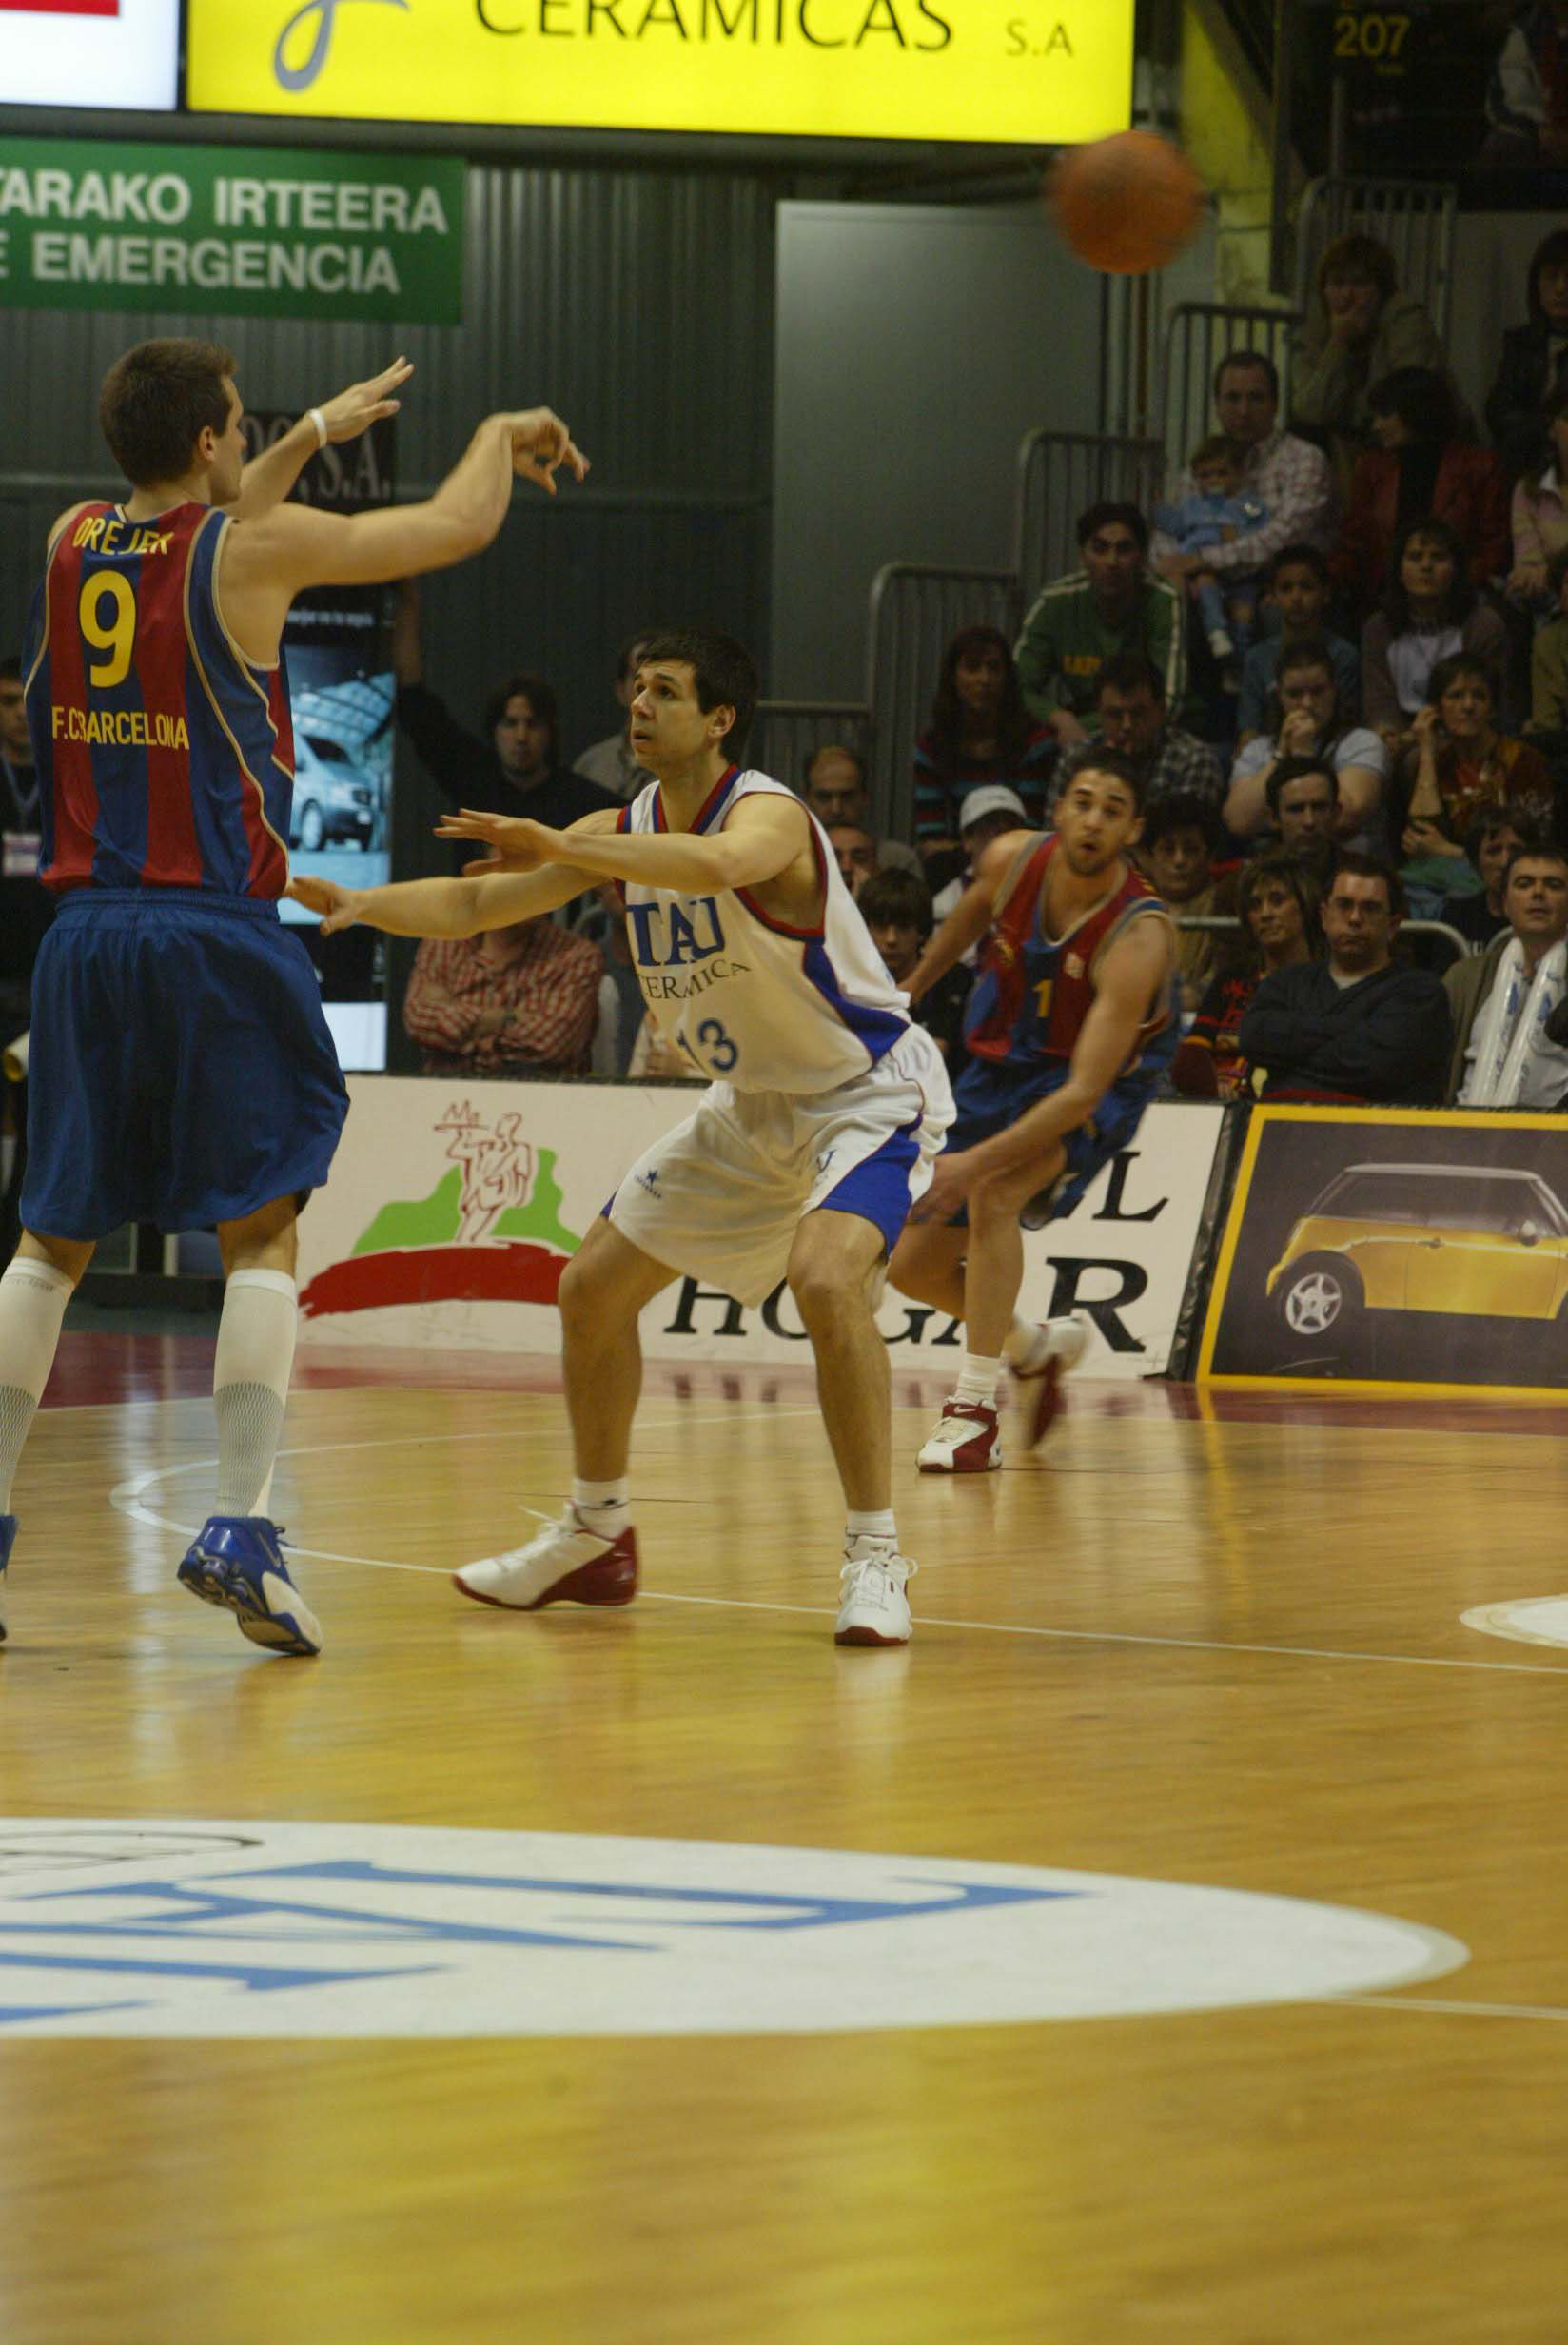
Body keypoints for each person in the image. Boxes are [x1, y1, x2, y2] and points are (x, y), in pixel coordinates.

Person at [0, 335, 589, 1658]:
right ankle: (244, 1530)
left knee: (50, 1246)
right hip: (211, 923)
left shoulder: (68, 538)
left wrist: (311, 430)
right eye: (238, 424)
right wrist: (500, 427)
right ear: (214, 440)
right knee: (261, 1230)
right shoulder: (250, 555)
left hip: (83, 932)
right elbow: (447, 525)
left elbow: (206, 508)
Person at [290, 628, 955, 1649]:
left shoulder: (766, 812)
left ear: (718, 719)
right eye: (634, 687)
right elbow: (476, 901)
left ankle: (874, 1555)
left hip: (863, 1091)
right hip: (753, 1101)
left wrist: (567, 844)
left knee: (826, 1279)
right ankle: (597, 1534)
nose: (638, 704)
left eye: (666, 691)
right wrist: (363, 904)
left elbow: (715, 863)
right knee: (590, 1288)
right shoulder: (615, 825)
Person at [885, 751, 1178, 1474]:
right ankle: (1033, 1348)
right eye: (1083, 801)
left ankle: (974, 1409)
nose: (1094, 819)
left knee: (993, 1192)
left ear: (1131, 828)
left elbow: (1082, 1093)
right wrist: (909, 991)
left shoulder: (1139, 934)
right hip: (1002, 1059)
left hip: (1091, 1081)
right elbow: (967, 919)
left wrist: (969, 1163)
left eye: (1113, 809)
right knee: (909, 1269)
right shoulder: (1011, 859)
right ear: (1058, 809)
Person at [391, 580, 617, 845]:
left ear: (550, 731)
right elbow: (412, 696)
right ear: (494, 730)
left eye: (532, 724)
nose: (521, 736)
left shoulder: (578, 799)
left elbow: (637, 828)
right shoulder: (474, 778)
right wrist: (408, 605)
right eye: (511, 724)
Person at [1237, 855, 1450, 1106]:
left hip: (1377, 1136)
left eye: (1370, 908)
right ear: (1324, 916)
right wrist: (1352, 1029)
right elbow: (1253, 1038)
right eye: (1344, 905)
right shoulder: (1285, 982)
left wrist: (1289, 1058)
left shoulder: (1421, 992)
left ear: (1393, 926)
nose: (1354, 919)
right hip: (1278, 1131)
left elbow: (1376, 1067)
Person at [1153, 351, 1337, 608]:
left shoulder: (1305, 458)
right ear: (1217, 405)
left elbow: (1284, 538)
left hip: (1279, 588)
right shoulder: (1204, 464)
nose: (1243, 411)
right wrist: (1177, 569)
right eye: (1232, 398)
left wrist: (1203, 560)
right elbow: (1167, 533)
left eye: (1256, 398)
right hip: (1205, 583)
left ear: (1275, 404)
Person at [1333, 369, 1511, 619]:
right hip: (1386, 596)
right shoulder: (1372, 468)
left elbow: (1493, 547)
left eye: (1385, 415)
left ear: (1415, 413)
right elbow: (1355, 542)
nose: (1376, 425)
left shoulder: (1478, 467)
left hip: (1458, 594)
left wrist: (1448, 583)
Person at [1013, 502, 1186, 745]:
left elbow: (1168, 701)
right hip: (1074, 729)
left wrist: (1086, 729)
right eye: (1100, 548)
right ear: (1082, 555)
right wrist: (1060, 719)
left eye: (1124, 549)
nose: (1112, 561)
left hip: (1142, 731)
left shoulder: (1162, 601)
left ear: (1142, 558)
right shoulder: (1056, 601)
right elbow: (1016, 687)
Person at [1291, 234, 1461, 480]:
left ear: (1382, 290)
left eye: (1359, 284)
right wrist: (1338, 345)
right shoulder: (1316, 332)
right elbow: (1311, 413)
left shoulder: (1404, 319)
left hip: (1411, 443)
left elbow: (1411, 406)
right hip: (1348, 445)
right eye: (1337, 284)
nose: (1348, 296)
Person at [1395, 652, 1552, 916]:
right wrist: (1425, 751)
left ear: (1492, 708)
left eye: (1479, 696)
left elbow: (1535, 847)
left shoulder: (1524, 761)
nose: (1468, 706)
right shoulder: (1434, 764)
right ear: (1436, 709)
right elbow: (1422, 838)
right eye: (1456, 696)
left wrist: (1447, 850)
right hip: (1446, 880)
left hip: (1512, 877)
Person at [1173, 849, 1319, 1100]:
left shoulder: (1324, 983)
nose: (1265, 914)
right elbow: (1194, 1052)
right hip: (1217, 1107)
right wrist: (1212, 1085)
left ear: (1304, 906)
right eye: (1255, 905)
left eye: (1277, 900)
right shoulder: (1231, 980)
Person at [1362, 522, 1514, 752]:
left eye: (1438, 557)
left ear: (1456, 569)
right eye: (1415, 557)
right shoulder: (1379, 628)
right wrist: (1390, 734)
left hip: (1466, 732)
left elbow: (1490, 702)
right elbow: (1380, 703)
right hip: (1401, 739)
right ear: (1399, 570)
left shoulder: (1483, 625)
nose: (1426, 566)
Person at [1225, 639, 1388, 844]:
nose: (1307, 704)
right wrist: (1282, 756)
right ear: (1278, 697)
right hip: (1276, 867)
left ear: (1334, 691)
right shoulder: (1257, 751)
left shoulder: (1363, 743)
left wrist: (1304, 757)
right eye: (1295, 694)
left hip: (1349, 865)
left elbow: (1347, 816)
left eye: (1318, 691)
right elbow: (1238, 822)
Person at [911, 625, 1056, 857]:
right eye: (972, 668)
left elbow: (1032, 834)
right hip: (951, 869)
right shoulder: (931, 749)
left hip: (1020, 864)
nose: (984, 679)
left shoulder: (1035, 744)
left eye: (994, 668)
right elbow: (931, 841)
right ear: (953, 677)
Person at [402, 913, 604, 1076]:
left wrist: (454, 1022)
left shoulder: (575, 955)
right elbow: (418, 1019)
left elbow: (551, 1043)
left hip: (540, 1107)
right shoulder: (446, 941)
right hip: (444, 1106)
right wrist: (508, 1017)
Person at [1445, 844, 1568, 1106]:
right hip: (1464, 1133)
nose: (1538, 893)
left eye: (1553, 885)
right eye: (1524, 884)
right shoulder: (1464, 978)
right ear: (1504, 903)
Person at [0, 655, 52, 1256]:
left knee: (39, 1126)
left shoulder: (66, 785)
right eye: (7, 703)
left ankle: (15, 1253)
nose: (17, 716)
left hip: (43, 982)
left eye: (25, 703)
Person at [1053, 652, 1225, 819]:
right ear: (1099, 713)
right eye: (1115, 715)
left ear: (1161, 710)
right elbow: (1051, 839)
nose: (1127, 726)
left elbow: (1181, 843)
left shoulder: (1192, 760)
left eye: (1138, 713)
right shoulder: (1076, 757)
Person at [1153, 435, 1268, 660]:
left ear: (1238, 473)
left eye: (1222, 473)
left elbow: (1260, 532)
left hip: (1237, 573)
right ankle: (1216, 631)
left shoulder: (1247, 504)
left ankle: (1237, 662)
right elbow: (1176, 524)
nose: (1214, 480)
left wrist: (1238, 533)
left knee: (1244, 615)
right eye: (1206, 475)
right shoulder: (1193, 504)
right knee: (1205, 583)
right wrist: (1157, 508)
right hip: (1199, 569)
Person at [1235, 543, 1359, 746]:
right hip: (1272, 751)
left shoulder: (1344, 655)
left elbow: (1346, 725)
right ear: (1272, 596)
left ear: (1325, 593)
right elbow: (1249, 729)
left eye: (1306, 587)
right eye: (1286, 588)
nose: (1296, 597)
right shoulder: (1257, 658)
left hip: (1331, 750)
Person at [856, 864, 972, 1071]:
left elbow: (934, 1054)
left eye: (903, 927)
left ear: (921, 931)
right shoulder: (850, 981)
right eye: (881, 927)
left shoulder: (952, 978)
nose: (891, 940)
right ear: (865, 929)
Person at [1139, 791, 1234, 1010]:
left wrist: (1200, 995)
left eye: (1190, 850)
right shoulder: (1132, 906)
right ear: (1149, 855)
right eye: (1168, 849)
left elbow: (1227, 977)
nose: (1179, 860)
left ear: (1209, 856)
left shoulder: (1225, 906)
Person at [1486, 227, 1568, 481]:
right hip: (1527, 463)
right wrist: (1546, 427)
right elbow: (1498, 410)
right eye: (1551, 277)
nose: (1561, 288)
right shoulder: (1521, 342)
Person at [800, 742, 921, 877]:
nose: (836, 809)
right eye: (824, 797)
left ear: (865, 797)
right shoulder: (785, 859)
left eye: (847, 796)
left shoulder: (898, 862)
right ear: (807, 798)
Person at [1507, 380, 1568, 612]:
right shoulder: (1530, 489)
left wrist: (1550, 573)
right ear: (1551, 428)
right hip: (1553, 610)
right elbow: (1528, 569)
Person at [574, 628, 655, 801]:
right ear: (620, 690)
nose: (647, 692)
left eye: (659, 683)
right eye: (638, 679)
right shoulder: (591, 764)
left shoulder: (687, 768)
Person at [1447, 810, 1535, 947]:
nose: (1505, 862)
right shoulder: (1458, 916)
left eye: (1516, 850)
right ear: (1476, 862)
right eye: (1493, 851)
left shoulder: (1549, 915)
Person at [1266, 758, 1342, 883]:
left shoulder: (1366, 880)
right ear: (1274, 817)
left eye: (1319, 808)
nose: (1309, 821)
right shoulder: (1245, 885)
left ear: (1336, 813)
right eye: (1296, 809)